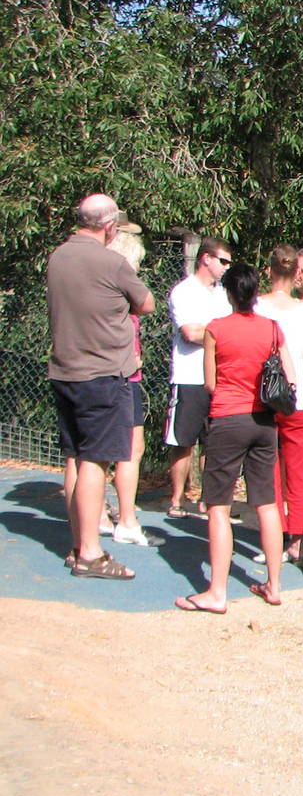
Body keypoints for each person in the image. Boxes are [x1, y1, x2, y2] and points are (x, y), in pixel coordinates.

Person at [47, 193, 155, 579]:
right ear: (110, 226)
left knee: (75, 456)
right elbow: (146, 304)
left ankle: (79, 544)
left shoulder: (58, 257)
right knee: (96, 460)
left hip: (64, 372)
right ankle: (92, 554)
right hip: (101, 375)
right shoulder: (112, 262)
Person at [174, 262, 291, 613]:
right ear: (256, 293)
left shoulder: (216, 329)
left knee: (219, 506)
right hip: (263, 422)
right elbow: (284, 373)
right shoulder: (272, 328)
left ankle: (217, 591)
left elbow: (210, 382)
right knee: (267, 503)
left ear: (228, 293)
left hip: (227, 418)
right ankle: (273, 585)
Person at [255, 243, 303, 563]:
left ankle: (273, 535)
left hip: (261, 398)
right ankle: (296, 540)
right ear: (297, 272)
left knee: (267, 470)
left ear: (268, 270)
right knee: (300, 471)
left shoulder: (254, 307)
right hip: (301, 399)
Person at [165, 236, 231, 518]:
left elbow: (211, 332)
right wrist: (221, 335)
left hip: (219, 377)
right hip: (189, 377)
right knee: (183, 442)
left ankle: (208, 500)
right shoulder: (184, 291)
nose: (227, 267)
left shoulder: (223, 294)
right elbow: (190, 334)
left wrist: (212, 334)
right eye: (223, 261)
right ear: (206, 258)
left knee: (214, 442)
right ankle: (177, 499)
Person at [106, 220, 150, 545]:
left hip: (121, 376)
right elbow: (146, 302)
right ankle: (127, 519)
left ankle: (111, 515)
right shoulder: (119, 296)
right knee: (130, 450)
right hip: (122, 378)